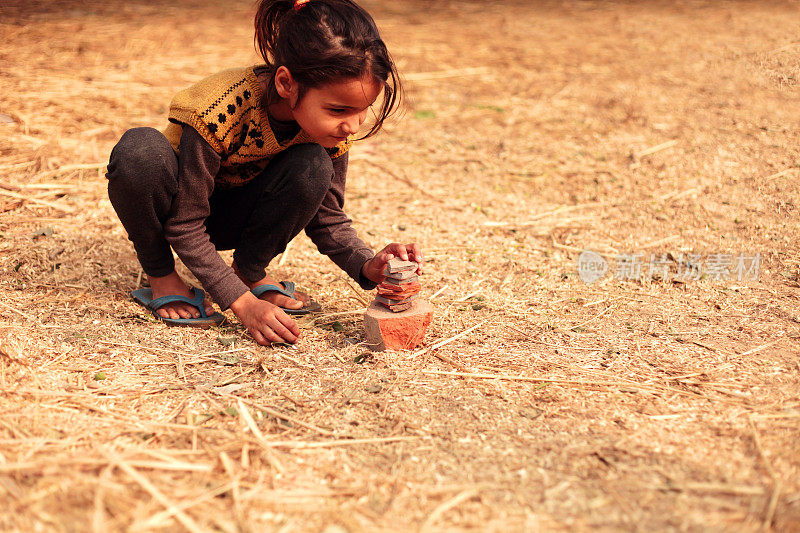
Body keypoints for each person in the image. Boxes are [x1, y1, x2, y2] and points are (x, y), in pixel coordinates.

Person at [106, 0, 422, 345]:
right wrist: (243, 305)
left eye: (364, 110)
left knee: (313, 166)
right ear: (286, 83)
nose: (353, 125)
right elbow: (185, 224)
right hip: (178, 207)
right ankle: (162, 274)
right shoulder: (219, 109)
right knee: (140, 153)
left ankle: (248, 272)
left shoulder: (328, 131)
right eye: (339, 109)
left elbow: (327, 217)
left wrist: (367, 265)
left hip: (234, 219)